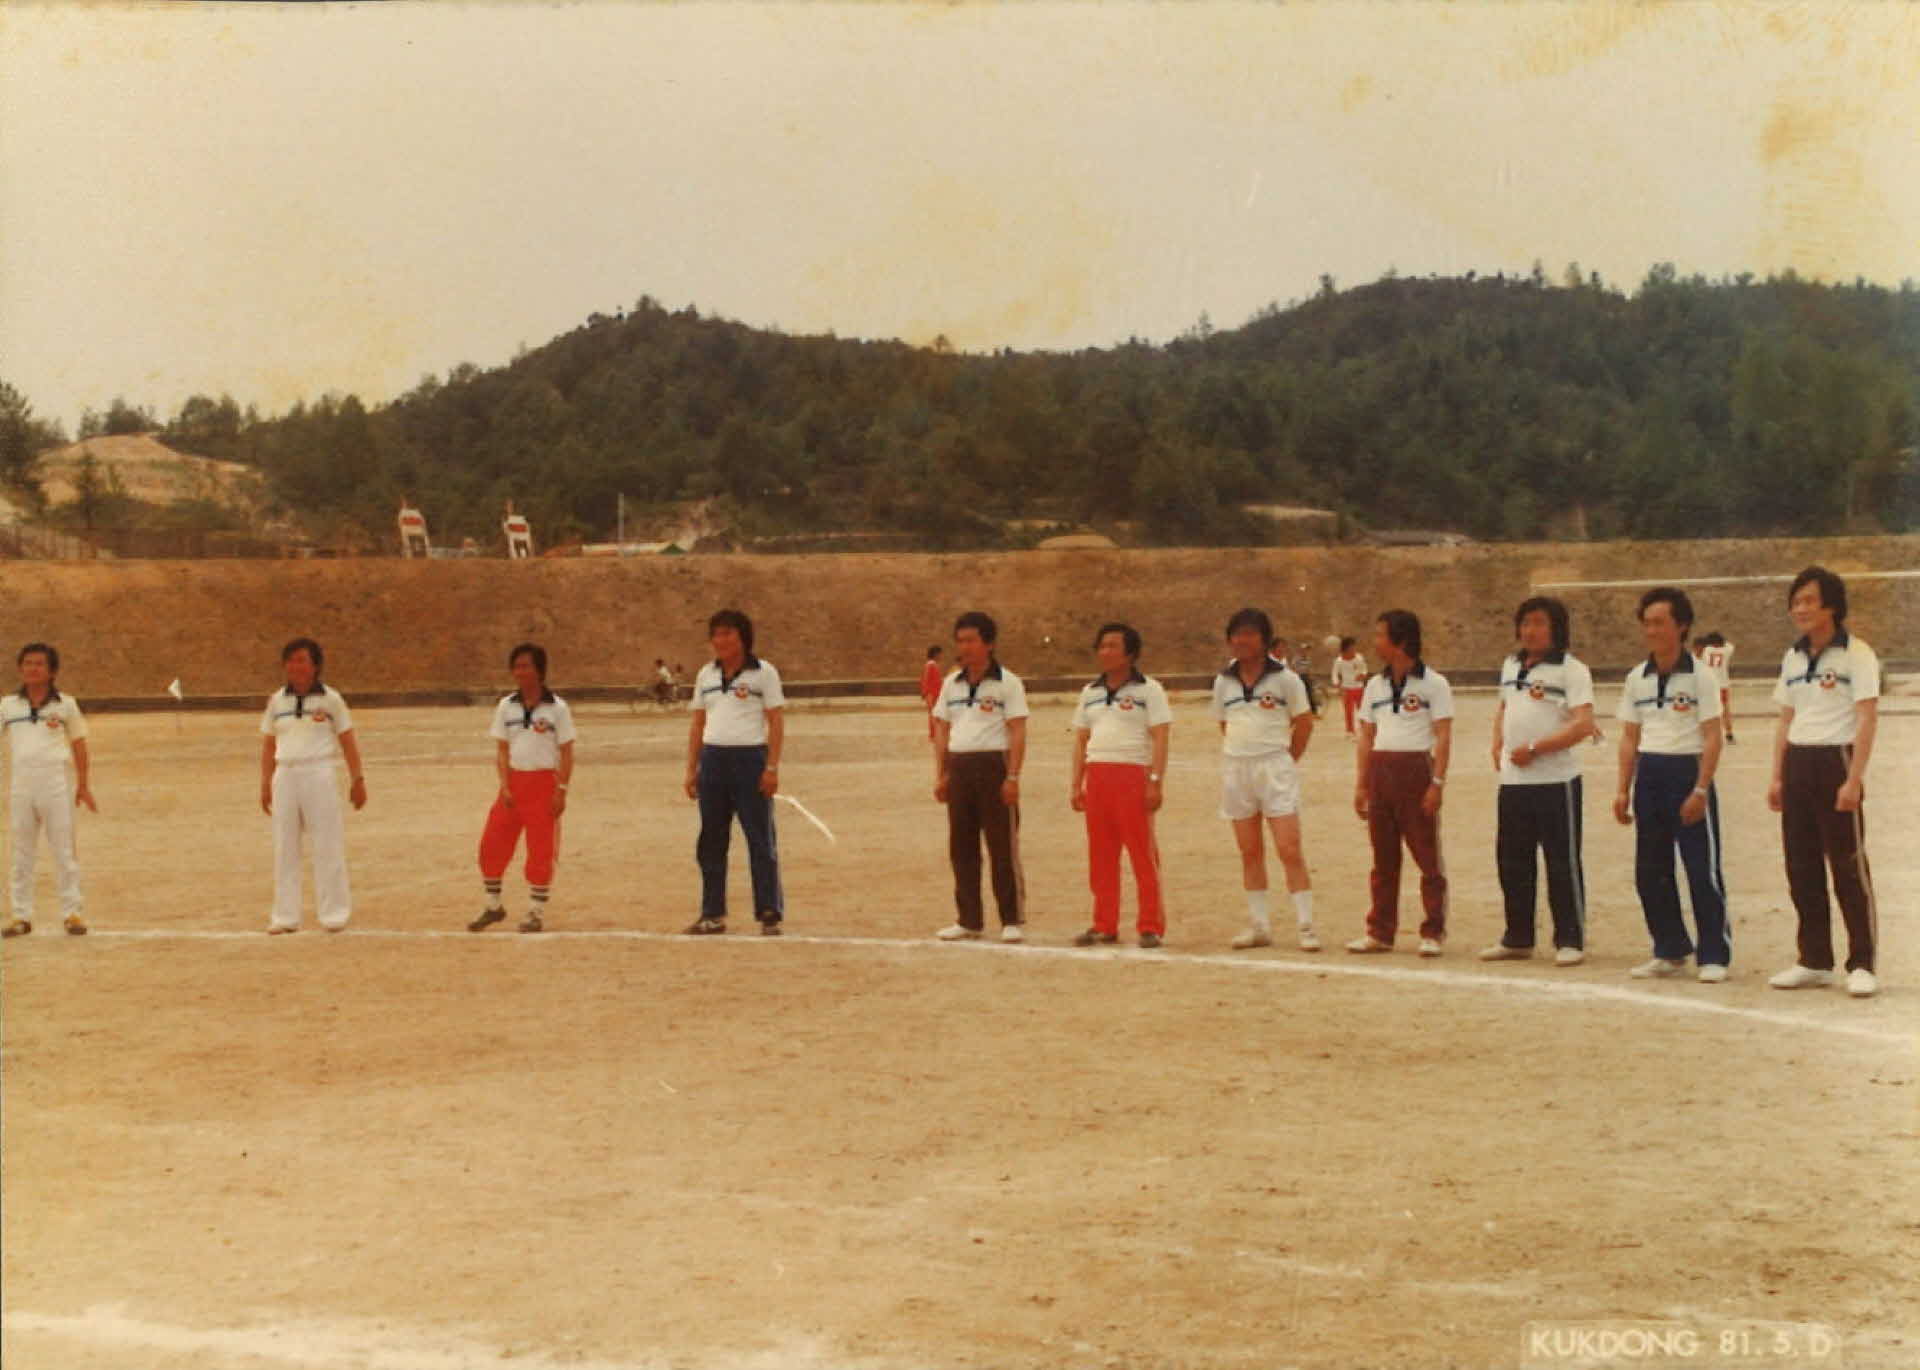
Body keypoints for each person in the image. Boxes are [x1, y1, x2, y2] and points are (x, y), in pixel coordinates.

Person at [1766, 567, 1881, 998]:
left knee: (1848, 867)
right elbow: (1785, 717)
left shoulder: (1857, 654)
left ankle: (1863, 962)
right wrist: (1777, 775)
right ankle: (1814, 959)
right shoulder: (1792, 658)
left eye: (1808, 600)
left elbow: (1868, 717)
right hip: (1798, 761)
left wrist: (1854, 779)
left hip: (1836, 760)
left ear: (1831, 605)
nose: (1800, 609)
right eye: (1795, 601)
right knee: (1801, 867)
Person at [1612, 587, 1727, 981]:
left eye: (1660, 622)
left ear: (1681, 626)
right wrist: (1622, 789)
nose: (1652, 630)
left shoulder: (1702, 676)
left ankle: (1714, 954)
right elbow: (1629, 737)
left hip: (1687, 772)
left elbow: (1713, 735)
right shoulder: (1635, 678)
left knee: (1700, 869)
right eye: (1647, 623)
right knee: (1651, 869)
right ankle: (1670, 947)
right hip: (1651, 776)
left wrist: (1700, 789)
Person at [1480, 598, 1594, 967]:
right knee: (1512, 860)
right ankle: (1518, 936)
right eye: (1525, 622)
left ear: (1556, 628)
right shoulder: (1511, 665)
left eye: (1539, 623)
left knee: (1561, 861)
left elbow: (1583, 724)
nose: (1530, 630)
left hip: (1556, 780)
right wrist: (1497, 741)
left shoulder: (1572, 671)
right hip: (1513, 782)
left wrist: (1535, 748)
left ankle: (1570, 938)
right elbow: (1503, 707)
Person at [1211, 609, 1319, 952]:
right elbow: (1224, 723)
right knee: (1249, 851)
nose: (1241, 641)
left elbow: (1303, 723)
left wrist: (1286, 760)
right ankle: (1260, 925)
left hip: (1275, 767)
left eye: (1249, 634)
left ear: (1264, 638)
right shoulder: (1222, 681)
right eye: (1236, 634)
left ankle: (1306, 926)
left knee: (1289, 848)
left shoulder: (1286, 679)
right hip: (1237, 769)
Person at [1348, 610, 1452, 956]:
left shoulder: (1434, 684)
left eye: (1381, 635)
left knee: (1427, 856)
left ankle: (1432, 930)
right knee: (1383, 858)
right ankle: (1380, 931)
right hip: (1381, 772)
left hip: (1415, 770)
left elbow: (1443, 735)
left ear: (1402, 641)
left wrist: (1437, 782)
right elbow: (1366, 736)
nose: (1375, 642)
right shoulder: (1374, 686)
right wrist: (1362, 784)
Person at [1069, 623, 1172, 949]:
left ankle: (1150, 925)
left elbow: (1160, 736)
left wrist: (1155, 780)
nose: (1105, 652)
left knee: (1141, 853)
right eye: (1102, 646)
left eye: (1113, 646)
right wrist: (1076, 783)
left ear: (1130, 652)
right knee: (1101, 855)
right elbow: (1081, 739)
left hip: (1132, 774)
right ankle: (1104, 923)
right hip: (1098, 775)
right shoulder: (1090, 693)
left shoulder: (1149, 691)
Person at [683, 610, 785, 935]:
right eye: (716, 634)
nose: (721, 640)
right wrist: (692, 768)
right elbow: (698, 723)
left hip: (750, 760)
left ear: (743, 637)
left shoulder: (763, 673)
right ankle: (712, 913)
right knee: (711, 840)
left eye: (728, 633)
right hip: (713, 761)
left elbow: (777, 720)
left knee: (760, 838)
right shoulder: (705, 675)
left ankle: (768, 910)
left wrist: (771, 767)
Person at [931, 611, 1029, 942]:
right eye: (960, 641)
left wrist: (1012, 776)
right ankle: (969, 918)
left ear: (989, 643)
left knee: (1002, 845)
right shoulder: (950, 683)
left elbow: (1017, 731)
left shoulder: (1008, 683)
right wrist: (942, 773)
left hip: (993, 766)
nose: (965, 647)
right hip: (959, 767)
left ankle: (1011, 918)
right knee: (962, 846)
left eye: (971, 640)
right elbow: (942, 728)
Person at [260, 637, 367, 934]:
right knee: (285, 847)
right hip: (286, 775)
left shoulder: (331, 700)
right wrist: (265, 784)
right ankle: (285, 916)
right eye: (291, 660)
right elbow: (269, 745)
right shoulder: (276, 701)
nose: (296, 666)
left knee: (327, 844)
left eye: (302, 660)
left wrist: (357, 778)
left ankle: (334, 914)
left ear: (316, 665)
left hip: (318, 773)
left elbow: (347, 740)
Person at [468, 643, 575, 934]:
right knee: (492, 842)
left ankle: (535, 911)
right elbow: (502, 749)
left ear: (540, 670)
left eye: (526, 666)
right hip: (513, 785)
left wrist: (561, 789)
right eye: (516, 666)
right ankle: (493, 905)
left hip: (543, 785)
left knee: (541, 849)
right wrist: (504, 784)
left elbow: (566, 752)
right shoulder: (506, 706)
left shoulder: (558, 708)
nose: (520, 672)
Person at [2, 643, 97, 938]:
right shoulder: (7, 706)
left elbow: (79, 743)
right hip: (21, 785)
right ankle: (21, 915)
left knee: (64, 851)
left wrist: (83, 784)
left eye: (39, 664)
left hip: (55, 784)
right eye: (27, 663)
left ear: (52, 671)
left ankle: (72, 912)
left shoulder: (65, 705)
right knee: (21, 852)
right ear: (20, 668)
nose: (32, 668)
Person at [1697, 631, 1737, 744]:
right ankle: (1729, 734)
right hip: (1723, 685)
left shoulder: (1706, 650)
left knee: (1707, 709)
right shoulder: (1727, 650)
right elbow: (1729, 645)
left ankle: (1705, 734)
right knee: (1725, 710)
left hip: (1709, 685)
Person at [1330, 636, 1368, 738]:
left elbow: (1364, 669)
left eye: (1354, 647)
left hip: (1359, 688)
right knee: (1348, 711)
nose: (1353, 650)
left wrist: (1363, 675)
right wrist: (1337, 683)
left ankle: (1365, 729)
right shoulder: (1339, 661)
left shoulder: (1359, 658)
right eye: (1351, 648)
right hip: (1346, 689)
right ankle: (1350, 731)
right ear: (1345, 649)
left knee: (1363, 710)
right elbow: (1334, 674)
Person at [918, 644, 945, 742]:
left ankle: (935, 734)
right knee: (933, 715)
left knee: (935, 714)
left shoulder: (933, 665)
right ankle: (933, 734)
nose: (941, 656)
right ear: (935, 654)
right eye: (940, 654)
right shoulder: (930, 665)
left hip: (935, 694)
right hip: (932, 695)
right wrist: (926, 693)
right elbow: (925, 680)